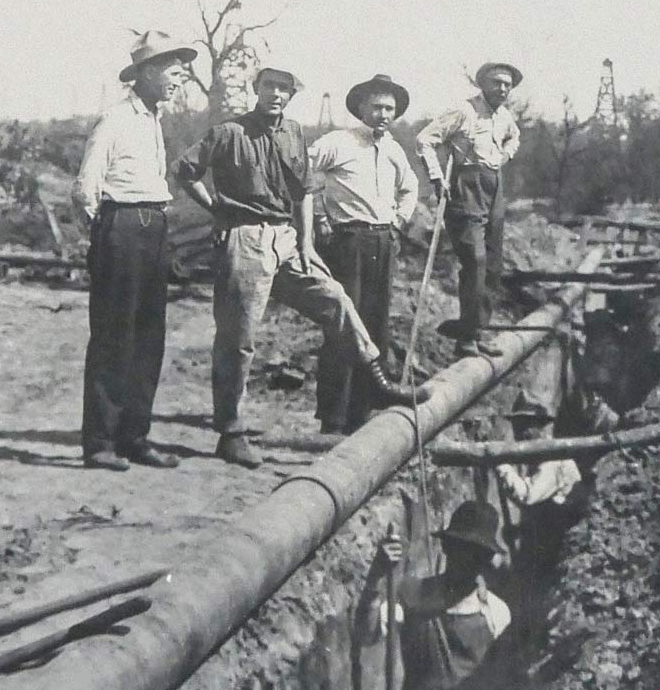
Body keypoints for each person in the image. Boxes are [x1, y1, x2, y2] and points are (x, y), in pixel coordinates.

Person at [173, 67, 430, 469]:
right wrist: (216, 208)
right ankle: (231, 430)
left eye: (284, 89)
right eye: (269, 87)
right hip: (246, 238)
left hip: (287, 239)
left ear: (290, 96)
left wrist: (307, 241)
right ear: (255, 89)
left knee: (336, 300)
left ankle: (377, 380)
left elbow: (305, 190)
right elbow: (185, 171)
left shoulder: (293, 132)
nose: (276, 94)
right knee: (239, 336)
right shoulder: (229, 132)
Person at [72, 31, 192, 471]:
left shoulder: (154, 120)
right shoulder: (116, 119)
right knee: (113, 336)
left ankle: (134, 437)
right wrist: (106, 231)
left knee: (148, 338)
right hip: (121, 226)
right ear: (145, 73)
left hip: (154, 227)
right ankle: (100, 442)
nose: (178, 78)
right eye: (171, 70)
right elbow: (86, 187)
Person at [306, 74, 419, 434]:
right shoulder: (338, 142)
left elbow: (410, 187)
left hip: (383, 242)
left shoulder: (394, 149)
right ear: (361, 109)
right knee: (343, 327)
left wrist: (400, 221)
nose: (383, 114)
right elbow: (303, 172)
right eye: (377, 107)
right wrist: (320, 216)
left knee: (376, 324)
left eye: (389, 108)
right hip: (346, 241)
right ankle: (333, 417)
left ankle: (364, 410)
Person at [416, 62, 523, 358]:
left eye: (507, 84)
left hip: (494, 187)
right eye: (496, 82)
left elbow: (515, 136)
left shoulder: (504, 116)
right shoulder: (464, 111)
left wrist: (505, 155)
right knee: (474, 259)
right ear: (482, 84)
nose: (502, 88)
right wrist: (437, 178)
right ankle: (465, 338)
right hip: (466, 186)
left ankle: (479, 331)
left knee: (492, 263)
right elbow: (425, 140)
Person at [374, 500, 511, 690]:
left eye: (477, 555)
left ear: (486, 560)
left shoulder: (497, 614)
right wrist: (376, 575)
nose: (467, 562)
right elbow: (366, 633)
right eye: (461, 550)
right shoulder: (412, 595)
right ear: (447, 548)